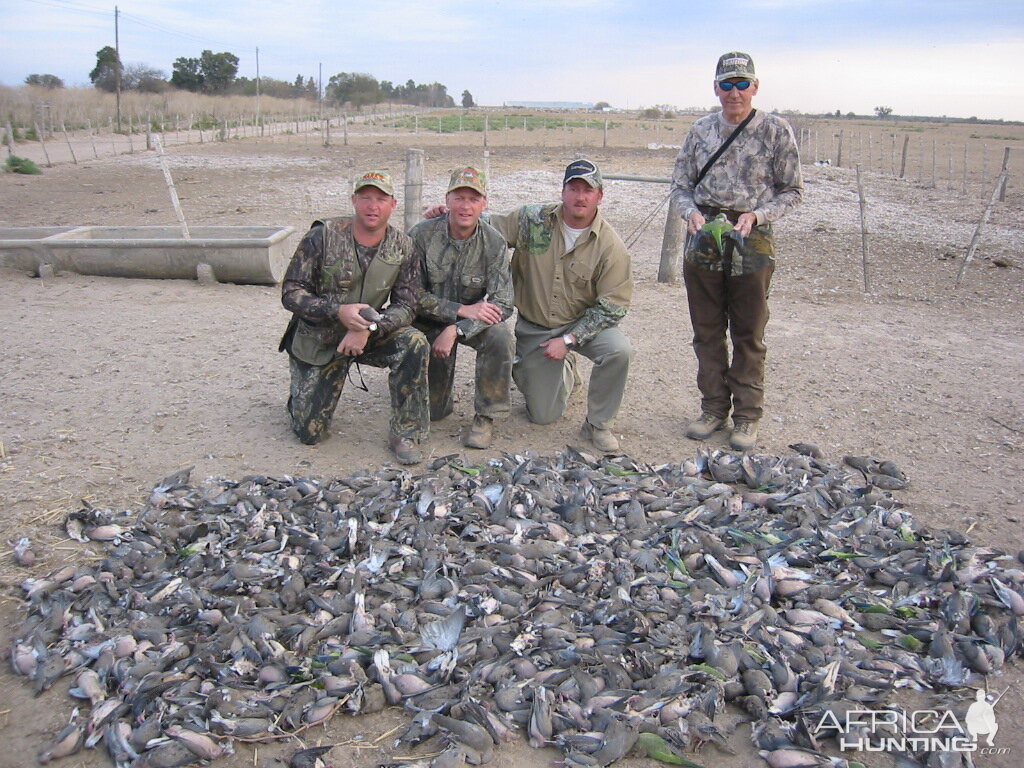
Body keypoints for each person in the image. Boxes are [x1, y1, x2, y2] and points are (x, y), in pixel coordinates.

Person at [671, 51, 803, 451]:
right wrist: (691, 215)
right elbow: (680, 187)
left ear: (755, 87)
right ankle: (713, 409)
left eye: (742, 84)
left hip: (752, 239)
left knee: (748, 332)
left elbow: (793, 191)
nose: (734, 92)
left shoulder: (776, 131)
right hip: (704, 239)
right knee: (707, 330)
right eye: (726, 84)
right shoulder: (699, 131)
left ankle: (746, 417)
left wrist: (758, 217)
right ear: (716, 88)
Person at [279, 170, 430, 464]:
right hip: (320, 338)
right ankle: (300, 397)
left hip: (367, 335)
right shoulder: (322, 236)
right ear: (354, 200)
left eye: (380, 199)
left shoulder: (403, 246)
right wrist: (337, 312)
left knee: (414, 342)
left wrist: (369, 328)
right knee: (309, 433)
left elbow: (407, 305)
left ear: (393, 204)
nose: (372, 206)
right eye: (365, 198)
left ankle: (405, 432)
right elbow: (291, 292)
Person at [490, 159, 634, 452]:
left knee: (620, 351)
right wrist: (450, 215)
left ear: (600, 196)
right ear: (563, 191)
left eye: (588, 190)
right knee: (543, 416)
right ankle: (553, 369)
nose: (580, 197)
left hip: (584, 326)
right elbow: (486, 228)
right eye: (574, 188)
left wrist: (569, 340)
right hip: (537, 328)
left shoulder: (611, 246)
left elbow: (613, 307)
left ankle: (598, 424)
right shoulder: (531, 218)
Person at [410, 166, 514, 449]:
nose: (465, 206)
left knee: (500, 336)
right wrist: (458, 310)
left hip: (468, 322)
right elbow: (410, 294)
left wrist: (458, 328)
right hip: (428, 319)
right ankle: (431, 395)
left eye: (473, 199)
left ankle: (486, 416)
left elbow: (504, 302)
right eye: (459, 198)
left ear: (484, 203)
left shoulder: (493, 242)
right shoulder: (421, 235)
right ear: (447, 200)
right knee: (436, 412)